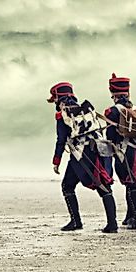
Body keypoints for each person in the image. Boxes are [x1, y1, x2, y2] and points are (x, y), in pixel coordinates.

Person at [48, 82, 117, 233]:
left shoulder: (63, 114)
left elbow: (61, 140)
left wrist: (56, 160)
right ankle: (112, 223)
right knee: (105, 187)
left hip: (81, 154)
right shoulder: (86, 110)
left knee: (67, 186)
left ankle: (76, 222)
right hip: (98, 149)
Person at [103, 74, 136, 230]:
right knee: (132, 184)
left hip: (124, 151)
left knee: (130, 185)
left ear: (114, 95)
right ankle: (130, 216)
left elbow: (110, 136)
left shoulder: (112, 112)